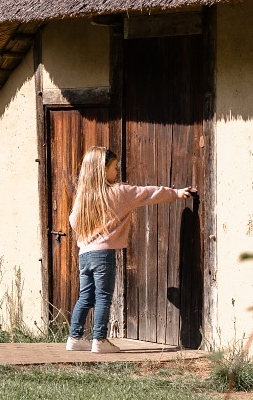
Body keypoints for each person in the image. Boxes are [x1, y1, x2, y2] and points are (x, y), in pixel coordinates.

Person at [67, 146, 194, 354]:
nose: (117, 172)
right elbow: (148, 193)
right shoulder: (119, 193)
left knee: (85, 296)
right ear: (102, 169)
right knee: (103, 297)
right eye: (114, 167)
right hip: (103, 255)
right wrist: (176, 193)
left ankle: (75, 337)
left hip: (84, 254)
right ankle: (99, 340)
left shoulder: (84, 198)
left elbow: (73, 222)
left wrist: (91, 233)